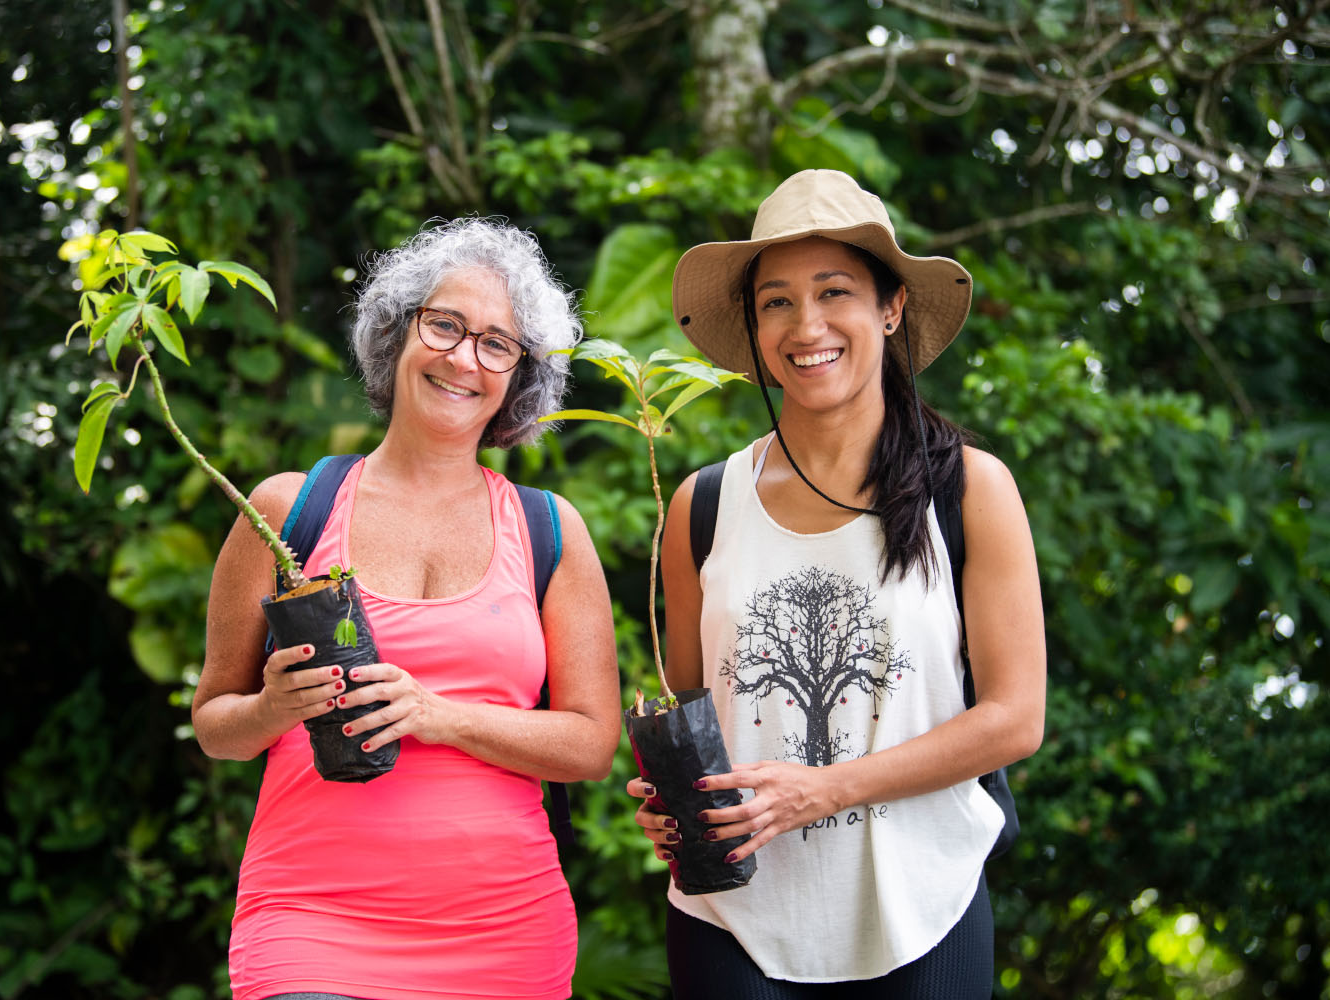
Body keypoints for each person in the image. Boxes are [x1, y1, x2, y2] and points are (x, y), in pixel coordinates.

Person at [627, 170, 1047, 998]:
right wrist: (670, 795)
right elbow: (691, 707)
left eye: (835, 292)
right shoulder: (702, 506)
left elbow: (1014, 719)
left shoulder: (969, 489)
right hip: (734, 918)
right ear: (752, 323)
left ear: (890, 308)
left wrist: (819, 791)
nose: (806, 325)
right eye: (777, 301)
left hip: (925, 905)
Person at [193, 218, 621, 1000]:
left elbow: (592, 745)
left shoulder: (549, 527)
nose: (465, 358)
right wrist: (273, 706)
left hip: (505, 934)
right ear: (398, 332)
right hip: (311, 921)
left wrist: (438, 715)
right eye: (446, 325)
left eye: (497, 343)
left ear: (519, 376)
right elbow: (217, 723)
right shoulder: (290, 509)